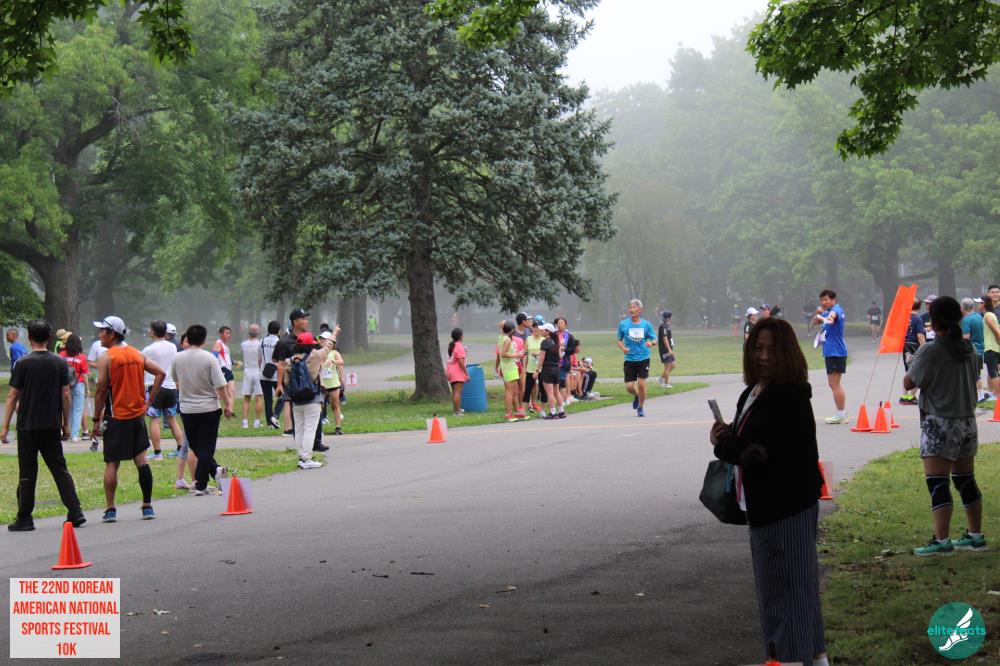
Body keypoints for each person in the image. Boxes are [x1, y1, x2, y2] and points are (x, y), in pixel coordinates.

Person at [709, 317, 827, 666]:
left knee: (792, 594)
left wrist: (723, 444)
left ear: (786, 353)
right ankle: (802, 656)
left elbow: (755, 452)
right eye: (757, 348)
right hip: (763, 506)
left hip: (788, 505)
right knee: (780, 592)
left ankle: (797, 658)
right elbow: (747, 439)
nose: (762, 356)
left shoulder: (788, 396)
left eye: (772, 350)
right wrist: (727, 435)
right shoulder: (753, 392)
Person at [903, 297, 986, 556]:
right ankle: (975, 536)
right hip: (967, 421)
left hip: (939, 422)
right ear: (959, 316)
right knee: (965, 480)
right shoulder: (969, 350)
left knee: (938, 483)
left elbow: (909, 383)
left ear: (933, 318)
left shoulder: (931, 350)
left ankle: (942, 541)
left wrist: (913, 359)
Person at [1, 319, 86, 531]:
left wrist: (5, 426)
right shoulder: (59, 363)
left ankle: (25, 517)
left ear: (29, 337)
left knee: (27, 472)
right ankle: (75, 511)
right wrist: (66, 424)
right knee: (59, 469)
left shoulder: (23, 363)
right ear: (48, 338)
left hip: (27, 425)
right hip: (51, 424)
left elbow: (12, 396)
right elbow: (66, 394)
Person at [91, 316, 165, 522]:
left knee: (112, 463)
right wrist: (148, 402)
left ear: (112, 334)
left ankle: (110, 509)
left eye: (102, 331)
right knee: (141, 462)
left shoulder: (106, 357)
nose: (99, 335)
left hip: (115, 418)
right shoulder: (137, 354)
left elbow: (101, 390)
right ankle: (147, 506)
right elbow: (160, 373)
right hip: (137, 417)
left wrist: (96, 419)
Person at [171, 324, 233, 495]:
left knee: (197, 445)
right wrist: (228, 404)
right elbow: (220, 385)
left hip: (187, 409)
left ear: (188, 339)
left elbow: (176, 379)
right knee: (206, 446)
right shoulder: (209, 358)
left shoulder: (177, 358)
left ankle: (206, 479)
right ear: (204, 340)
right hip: (209, 408)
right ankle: (205, 479)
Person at [142, 320, 184, 461]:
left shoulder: (148, 350)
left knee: (154, 419)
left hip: (155, 386)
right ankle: (180, 449)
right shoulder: (172, 347)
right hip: (171, 386)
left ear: (153, 332)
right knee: (172, 419)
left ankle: (157, 453)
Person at [284, 332, 325, 469]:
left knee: (299, 429)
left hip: (296, 400)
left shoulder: (290, 360)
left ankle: (301, 457)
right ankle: (307, 458)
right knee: (310, 429)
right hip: (312, 398)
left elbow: (286, 381)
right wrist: (335, 334)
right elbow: (327, 348)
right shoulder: (314, 356)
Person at [617, 299, 656, 417]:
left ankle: (641, 407)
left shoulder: (646, 324)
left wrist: (651, 343)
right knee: (629, 387)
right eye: (630, 307)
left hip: (643, 358)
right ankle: (637, 395)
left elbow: (654, 339)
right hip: (629, 359)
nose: (631, 309)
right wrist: (623, 348)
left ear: (640, 310)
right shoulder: (623, 324)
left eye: (634, 307)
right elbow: (619, 340)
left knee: (642, 385)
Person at [813, 289, 848, 424]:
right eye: (822, 300)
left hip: (836, 352)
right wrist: (818, 314)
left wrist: (828, 318)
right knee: (833, 384)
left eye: (826, 299)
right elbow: (814, 323)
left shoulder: (836, 310)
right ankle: (841, 414)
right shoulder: (826, 311)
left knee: (835, 384)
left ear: (834, 300)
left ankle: (841, 414)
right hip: (830, 352)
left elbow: (832, 319)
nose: (824, 302)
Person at [58, 334, 89, 442]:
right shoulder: (82, 357)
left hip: (64, 385)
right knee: (77, 410)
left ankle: (64, 430)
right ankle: (74, 435)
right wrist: (87, 389)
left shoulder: (61, 355)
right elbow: (84, 374)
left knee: (65, 409)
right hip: (78, 384)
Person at [899, 297, 926, 405]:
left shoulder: (904, 318)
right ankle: (911, 396)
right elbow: (920, 336)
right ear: (919, 307)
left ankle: (904, 396)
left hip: (905, 346)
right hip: (914, 347)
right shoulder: (918, 319)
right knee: (917, 372)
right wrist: (925, 348)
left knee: (908, 371)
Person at [498, 321, 527, 422]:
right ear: (512, 330)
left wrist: (503, 325)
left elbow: (502, 328)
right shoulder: (507, 340)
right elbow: (504, 354)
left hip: (507, 366)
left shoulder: (501, 336)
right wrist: (517, 355)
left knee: (512, 390)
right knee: (510, 391)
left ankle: (516, 411)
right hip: (509, 367)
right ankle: (508, 413)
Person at [960, 298, 987, 403]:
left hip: (971, 350)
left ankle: (977, 396)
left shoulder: (966, 320)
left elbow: (966, 337)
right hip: (980, 349)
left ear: (962, 308)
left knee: (972, 374)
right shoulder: (979, 317)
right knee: (977, 374)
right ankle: (980, 395)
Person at [319, 331, 345, 434]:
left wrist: (332, 361)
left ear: (330, 341)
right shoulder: (318, 352)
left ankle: (338, 427)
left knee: (335, 405)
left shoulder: (334, 353)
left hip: (333, 383)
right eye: (320, 338)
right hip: (322, 384)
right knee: (320, 406)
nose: (321, 340)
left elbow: (341, 362)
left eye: (323, 339)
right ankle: (318, 429)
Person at [538, 323, 566, 419]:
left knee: (550, 393)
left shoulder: (545, 342)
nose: (541, 331)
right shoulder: (556, 342)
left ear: (548, 332)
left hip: (547, 369)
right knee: (556, 392)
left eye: (543, 330)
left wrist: (537, 370)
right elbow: (560, 356)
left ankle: (553, 413)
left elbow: (542, 358)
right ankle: (561, 411)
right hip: (556, 369)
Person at [240, 324, 264, 429]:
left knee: (246, 398)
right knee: (259, 397)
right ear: (258, 332)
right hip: (258, 372)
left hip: (247, 372)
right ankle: (256, 422)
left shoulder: (243, 344)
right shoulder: (260, 344)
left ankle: (245, 422)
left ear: (249, 332)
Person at [259, 320, 281, 429]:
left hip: (263, 374)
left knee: (268, 399)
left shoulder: (262, 341)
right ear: (278, 331)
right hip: (276, 375)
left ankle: (269, 423)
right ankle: (275, 416)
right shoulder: (280, 342)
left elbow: (260, 357)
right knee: (283, 396)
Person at [522, 321, 545, 413]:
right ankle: (523, 410)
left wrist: (538, 353)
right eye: (534, 327)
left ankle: (542, 409)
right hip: (530, 368)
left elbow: (546, 354)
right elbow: (525, 353)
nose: (535, 329)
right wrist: (524, 367)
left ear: (541, 330)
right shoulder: (528, 339)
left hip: (541, 368)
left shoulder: (543, 340)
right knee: (528, 389)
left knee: (542, 388)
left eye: (537, 328)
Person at [446, 328, 468, 417]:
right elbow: (461, 362)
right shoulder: (459, 346)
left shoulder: (452, 345)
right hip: (457, 372)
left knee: (455, 392)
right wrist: (466, 374)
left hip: (450, 370)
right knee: (457, 392)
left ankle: (457, 409)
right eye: (462, 335)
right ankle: (457, 412)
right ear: (461, 336)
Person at [983, 296, 1000, 403]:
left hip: (990, 347)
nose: (978, 304)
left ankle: (996, 395)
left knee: (992, 371)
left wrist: (998, 340)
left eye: (980, 302)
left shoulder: (988, 316)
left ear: (984, 304)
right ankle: (996, 394)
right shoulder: (992, 314)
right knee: (995, 371)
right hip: (994, 347)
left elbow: (997, 332)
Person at [212, 325, 236, 402]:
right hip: (223, 370)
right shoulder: (218, 343)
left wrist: (234, 362)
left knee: (231, 392)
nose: (229, 335)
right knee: (219, 394)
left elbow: (226, 358)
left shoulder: (225, 345)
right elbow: (213, 357)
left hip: (229, 370)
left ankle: (229, 409)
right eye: (227, 333)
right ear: (220, 334)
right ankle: (214, 407)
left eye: (230, 333)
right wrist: (217, 368)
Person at [657, 309, 676, 389]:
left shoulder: (667, 326)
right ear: (669, 318)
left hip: (669, 349)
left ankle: (660, 379)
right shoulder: (663, 326)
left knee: (673, 365)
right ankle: (666, 383)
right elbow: (664, 338)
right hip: (665, 350)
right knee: (667, 367)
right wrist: (669, 350)